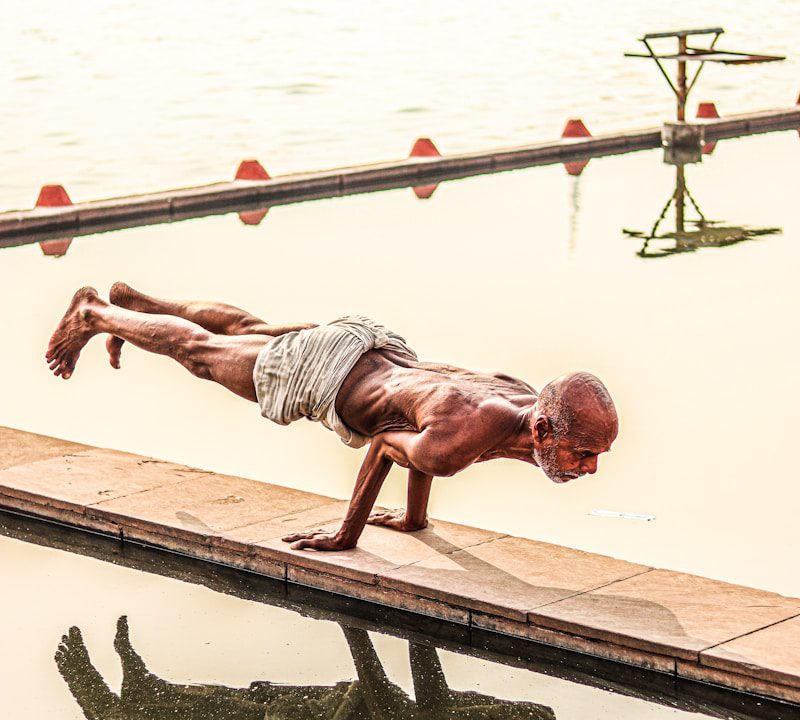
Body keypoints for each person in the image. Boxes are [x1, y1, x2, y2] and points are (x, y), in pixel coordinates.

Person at [46, 284, 618, 552]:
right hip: (329, 373)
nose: (589, 468)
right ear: (543, 429)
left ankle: (139, 304)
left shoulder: (521, 399)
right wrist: (347, 534)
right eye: (583, 453)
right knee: (201, 355)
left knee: (246, 332)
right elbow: (391, 444)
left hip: (372, 345)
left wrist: (416, 520)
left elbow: (432, 434)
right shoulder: (471, 436)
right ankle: (96, 312)